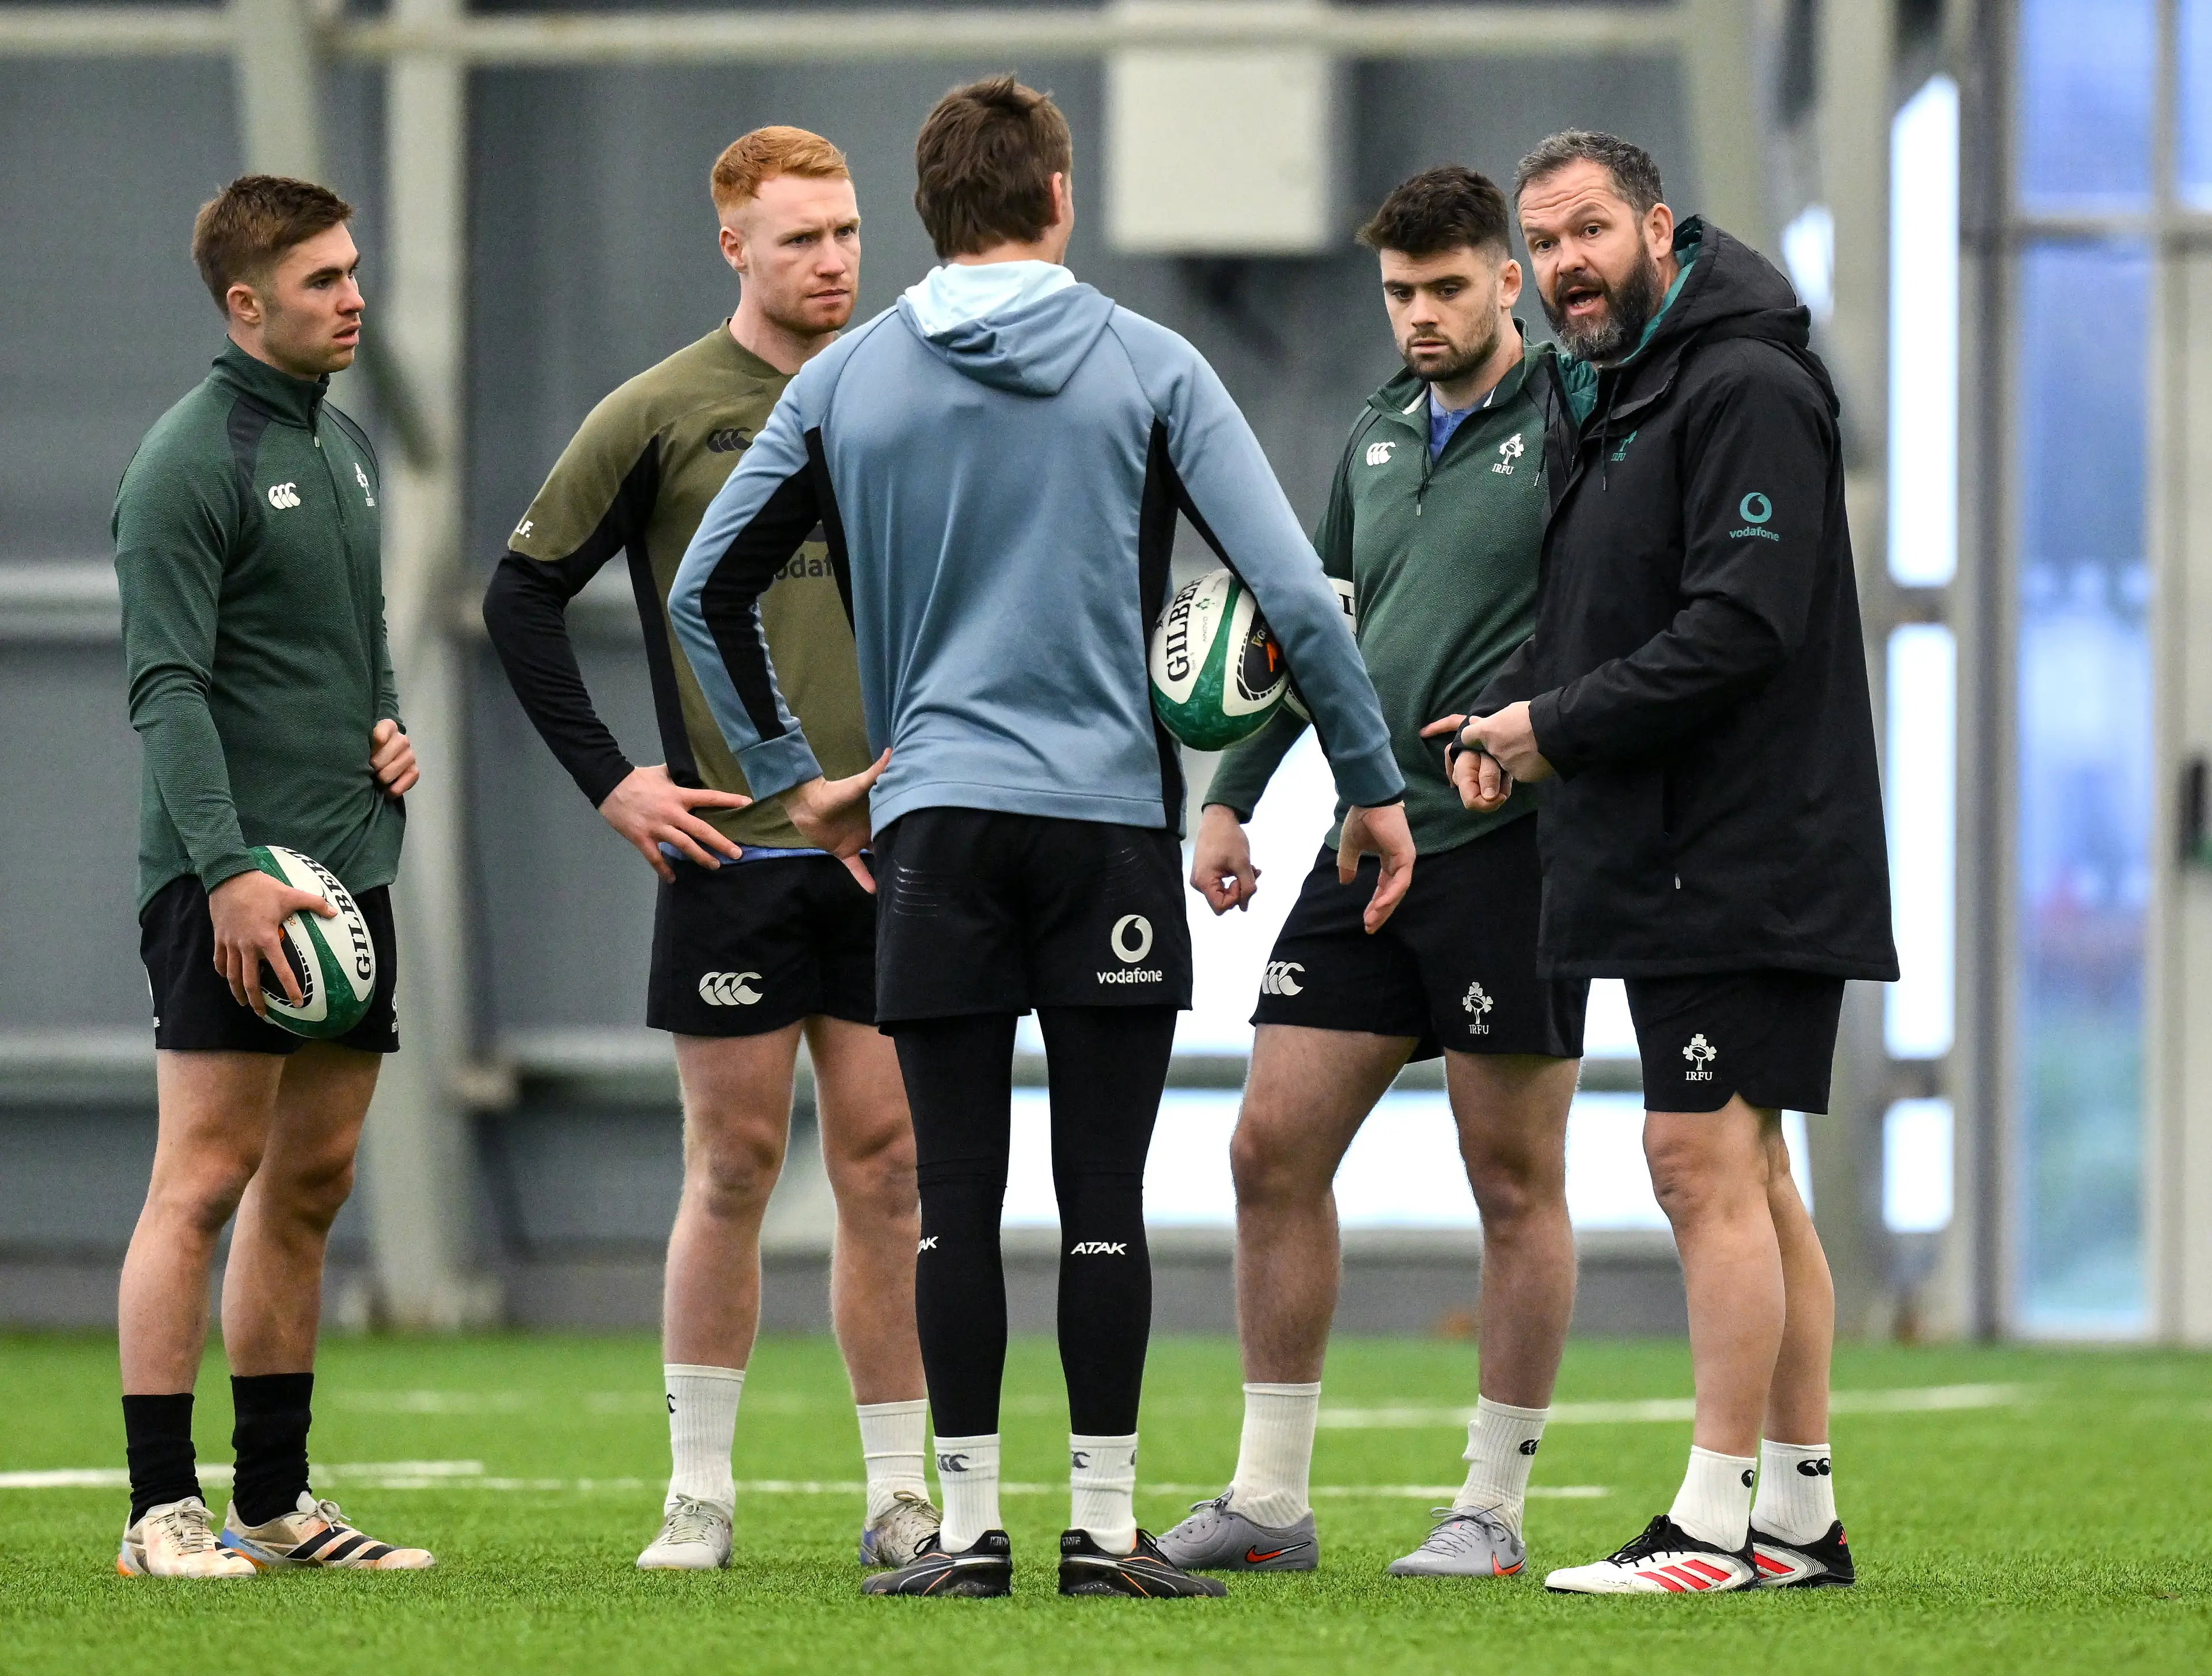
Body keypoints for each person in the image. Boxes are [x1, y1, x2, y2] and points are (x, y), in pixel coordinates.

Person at [667, 76, 1412, 1600]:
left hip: (931, 826)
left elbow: (702, 592)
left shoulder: (846, 378)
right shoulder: (1151, 364)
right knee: (1103, 1198)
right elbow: (1293, 592)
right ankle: (1104, 1527)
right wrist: (1372, 784)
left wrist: (792, 775)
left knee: (950, 1196)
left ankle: (968, 1529)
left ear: (928, 213)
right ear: (1059, 200)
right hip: (1102, 836)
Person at [1443, 130, 1896, 1595]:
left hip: (1749, 848)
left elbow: (1740, 625)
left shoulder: (1744, 382)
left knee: (1697, 1158)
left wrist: (1554, 729)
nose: (1567, 263)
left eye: (1589, 232)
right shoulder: (1623, 390)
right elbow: (1604, 614)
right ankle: (1801, 1518)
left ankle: (1710, 1524)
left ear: (1655, 227)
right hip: (1674, 847)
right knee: (1752, 1172)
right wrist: (1510, 714)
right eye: (1546, 241)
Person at [481, 127, 936, 1575]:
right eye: (800, 237)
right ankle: (698, 1494)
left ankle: (902, 1493)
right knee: (732, 1164)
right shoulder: (660, 410)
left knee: (888, 1168)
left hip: (887, 849)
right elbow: (519, 597)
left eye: (850, 231)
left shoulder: (909, 388)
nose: (834, 260)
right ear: (731, 246)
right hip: (732, 858)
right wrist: (618, 784)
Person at [1157, 166, 1587, 1583]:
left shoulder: (1581, 420)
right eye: (1399, 291)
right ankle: (1271, 1497)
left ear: (1507, 282)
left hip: (1513, 849)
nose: (1419, 314)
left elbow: (1613, 618)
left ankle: (1493, 1507)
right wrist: (1226, 805)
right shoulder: (1379, 432)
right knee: (1268, 1147)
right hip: (1365, 837)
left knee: (1509, 1176)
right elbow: (1310, 636)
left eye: (1447, 287)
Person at [111, 175, 430, 1576]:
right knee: (203, 1179)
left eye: (353, 271)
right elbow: (167, 687)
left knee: (309, 1185)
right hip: (230, 883)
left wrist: (387, 728)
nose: (353, 295)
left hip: (346, 877)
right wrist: (229, 870)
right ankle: (157, 1510)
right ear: (246, 305)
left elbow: (343, 645)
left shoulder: (344, 443)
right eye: (321, 280)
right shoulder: (190, 459)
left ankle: (274, 1503)